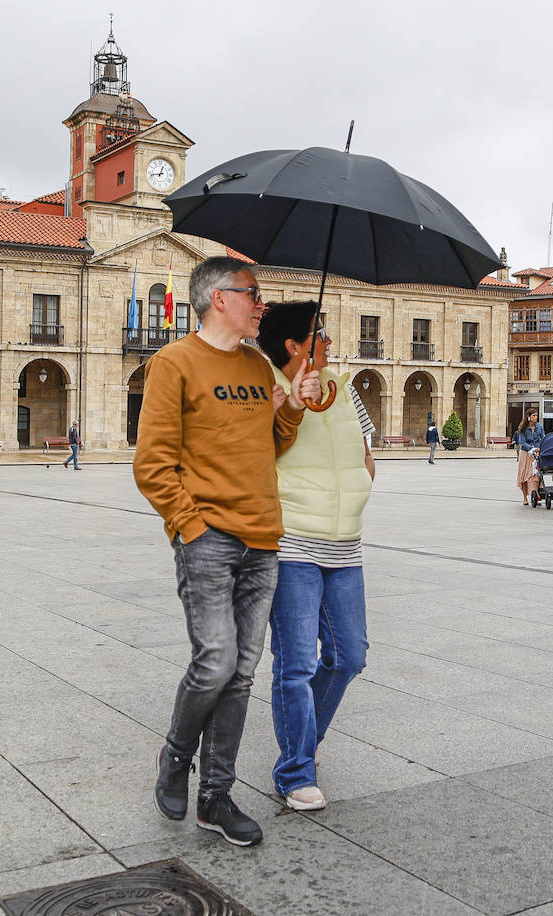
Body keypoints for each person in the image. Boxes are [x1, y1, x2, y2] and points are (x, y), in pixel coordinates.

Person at [134, 256, 320, 848]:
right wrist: (189, 526)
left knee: (240, 675)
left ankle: (215, 797)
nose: (261, 303)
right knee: (214, 661)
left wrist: (291, 404)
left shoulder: (259, 365)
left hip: (263, 537)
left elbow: (274, 443)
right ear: (219, 298)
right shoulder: (174, 364)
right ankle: (175, 756)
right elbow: (152, 463)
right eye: (252, 294)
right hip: (210, 537)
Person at [255, 302, 374, 812]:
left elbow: (367, 449)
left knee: (350, 655)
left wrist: (365, 478)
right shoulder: (264, 392)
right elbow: (254, 452)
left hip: (346, 544)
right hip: (294, 543)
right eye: (319, 334)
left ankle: (307, 738)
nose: (327, 341)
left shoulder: (345, 390)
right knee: (297, 662)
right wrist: (290, 407)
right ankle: (295, 770)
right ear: (293, 345)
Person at [514, 410, 543, 505]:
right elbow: (522, 441)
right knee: (524, 476)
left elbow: (543, 438)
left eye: (536, 415)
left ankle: (536, 495)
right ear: (529, 416)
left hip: (536, 453)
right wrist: (531, 448)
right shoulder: (523, 427)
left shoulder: (539, 427)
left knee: (535, 475)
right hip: (526, 453)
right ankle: (525, 497)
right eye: (534, 415)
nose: (536, 417)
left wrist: (541, 448)